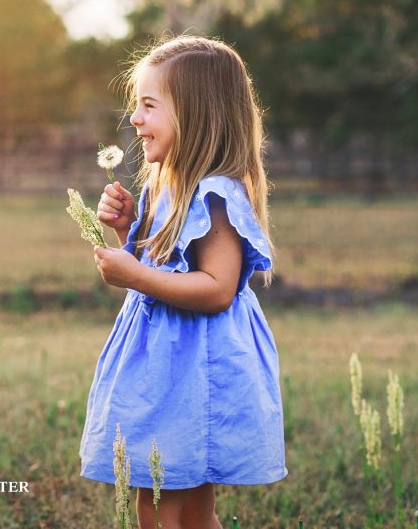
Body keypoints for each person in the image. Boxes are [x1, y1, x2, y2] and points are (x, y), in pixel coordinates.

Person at [80, 35, 286, 529]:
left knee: (159, 506)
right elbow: (169, 261)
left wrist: (134, 274)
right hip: (173, 365)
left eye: (149, 106)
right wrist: (128, 231)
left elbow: (216, 288)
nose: (134, 119)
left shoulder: (214, 194)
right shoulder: (165, 184)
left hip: (195, 372)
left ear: (195, 116)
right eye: (136, 105)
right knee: (188, 511)